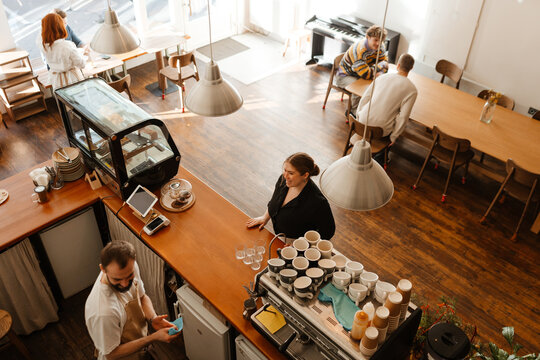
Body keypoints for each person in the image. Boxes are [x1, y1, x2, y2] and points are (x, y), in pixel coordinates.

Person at [85, 241, 179, 360]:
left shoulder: (130, 266)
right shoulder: (103, 312)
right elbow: (110, 353)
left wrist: (153, 318)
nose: (124, 284)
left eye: (129, 276)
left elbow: (142, 297)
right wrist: (152, 338)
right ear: (103, 269)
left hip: (141, 346)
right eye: (117, 279)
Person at [246, 153, 335, 240]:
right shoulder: (284, 180)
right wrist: (265, 217)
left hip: (296, 244)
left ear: (305, 175)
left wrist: (301, 246)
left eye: (291, 173)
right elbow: (274, 201)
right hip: (280, 237)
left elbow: (328, 232)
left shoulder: (318, 202)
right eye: (284, 170)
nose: (285, 175)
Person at [355, 53, 418, 147]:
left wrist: (358, 117)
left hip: (361, 123)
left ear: (398, 65)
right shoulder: (412, 90)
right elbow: (403, 116)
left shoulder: (381, 77)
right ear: (411, 68)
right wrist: (394, 137)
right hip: (380, 131)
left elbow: (365, 98)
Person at [335, 25, 389, 113]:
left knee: (379, 86)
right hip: (345, 76)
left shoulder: (381, 46)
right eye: (375, 40)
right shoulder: (360, 51)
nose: (378, 43)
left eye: (381, 40)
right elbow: (366, 75)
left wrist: (381, 72)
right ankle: (353, 113)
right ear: (368, 37)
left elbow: (386, 63)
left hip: (360, 74)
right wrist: (379, 67)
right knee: (360, 90)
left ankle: (365, 110)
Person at [39, 13, 86, 90]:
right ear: (60, 26)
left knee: (63, 101)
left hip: (57, 83)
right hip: (73, 81)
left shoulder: (44, 47)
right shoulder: (67, 45)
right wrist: (81, 53)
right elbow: (82, 64)